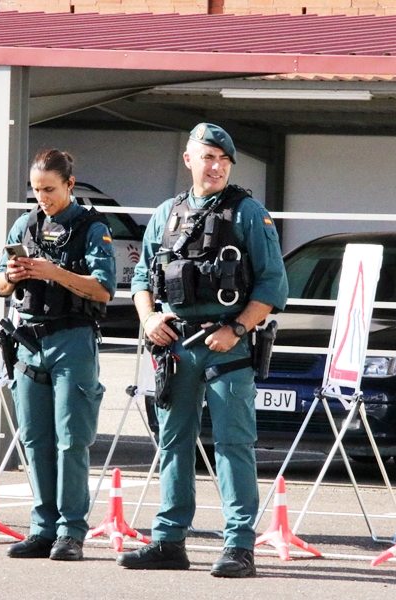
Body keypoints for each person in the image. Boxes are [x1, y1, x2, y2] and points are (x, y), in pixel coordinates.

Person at [117, 123, 288, 578]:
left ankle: (239, 546)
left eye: (223, 161)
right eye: (207, 157)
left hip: (225, 346)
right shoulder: (165, 214)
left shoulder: (248, 213)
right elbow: (140, 279)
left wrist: (236, 328)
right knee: (173, 445)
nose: (215, 167)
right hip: (175, 347)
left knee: (234, 446)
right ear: (189, 159)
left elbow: (273, 284)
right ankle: (169, 541)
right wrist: (149, 318)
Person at [0, 149, 116, 561]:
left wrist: (54, 272)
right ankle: (42, 529)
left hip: (72, 339)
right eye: (36, 189)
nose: (41, 197)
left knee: (70, 440)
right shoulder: (25, 224)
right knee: (35, 439)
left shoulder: (91, 228)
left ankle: (71, 532)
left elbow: (103, 289)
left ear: (69, 185)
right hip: (29, 341)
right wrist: (9, 279)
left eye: (49, 189)